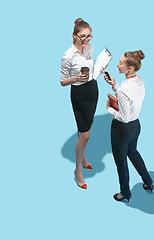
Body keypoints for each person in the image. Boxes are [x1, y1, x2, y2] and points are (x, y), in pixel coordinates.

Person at [103, 50, 154, 202]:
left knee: (121, 162)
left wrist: (109, 108)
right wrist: (115, 86)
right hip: (136, 126)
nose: (117, 65)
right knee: (133, 153)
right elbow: (128, 98)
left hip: (122, 129)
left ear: (129, 67)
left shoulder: (124, 89)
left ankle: (125, 192)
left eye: (120, 63)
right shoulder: (139, 80)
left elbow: (124, 117)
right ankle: (148, 181)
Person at [60, 18, 98, 189]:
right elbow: (62, 81)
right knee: (86, 135)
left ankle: (83, 157)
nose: (86, 39)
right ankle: (78, 171)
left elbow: (90, 63)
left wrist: (98, 68)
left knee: (85, 128)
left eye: (89, 36)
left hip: (92, 89)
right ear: (74, 35)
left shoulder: (89, 47)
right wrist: (75, 78)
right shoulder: (68, 55)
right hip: (79, 94)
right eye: (83, 36)